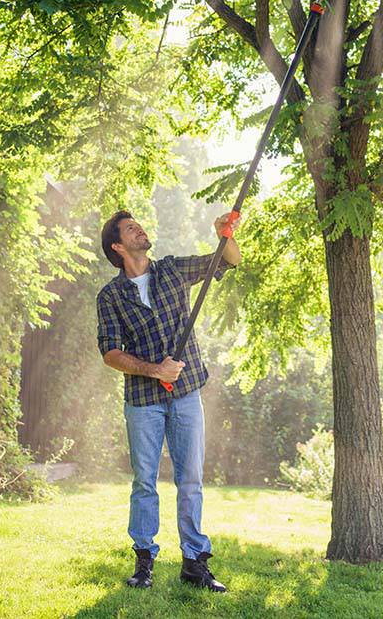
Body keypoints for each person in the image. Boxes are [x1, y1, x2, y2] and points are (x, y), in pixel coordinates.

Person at [96, 209, 240, 592]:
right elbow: (110, 353)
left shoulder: (172, 270)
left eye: (138, 225)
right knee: (145, 481)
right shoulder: (110, 296)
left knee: (190, 479)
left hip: (187, 393)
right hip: (143, 400)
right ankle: (144, 562)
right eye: (130, 228)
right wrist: (155, 370)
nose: (140, 229)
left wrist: (223, 233)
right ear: (118, 245)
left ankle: (194, 562)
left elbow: (227, 260)